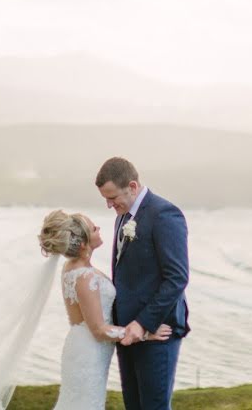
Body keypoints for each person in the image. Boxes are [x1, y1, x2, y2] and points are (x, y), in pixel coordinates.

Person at [38, 210, 172, 409]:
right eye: (93, 228)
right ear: (83, 244)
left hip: (82, 346)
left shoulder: (71, 267)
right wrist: (143, 333)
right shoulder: (85, 277)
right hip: (89, 352)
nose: (98, 228)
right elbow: (99, 330)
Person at [96, 157, 190, 410]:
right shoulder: (122, 217)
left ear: (133, 186)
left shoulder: (164, 214)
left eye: (112, 197)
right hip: (128, 333)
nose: (109, 204)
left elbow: (177, 277)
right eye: (105, 199)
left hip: (157, 331)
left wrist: (143, 323)